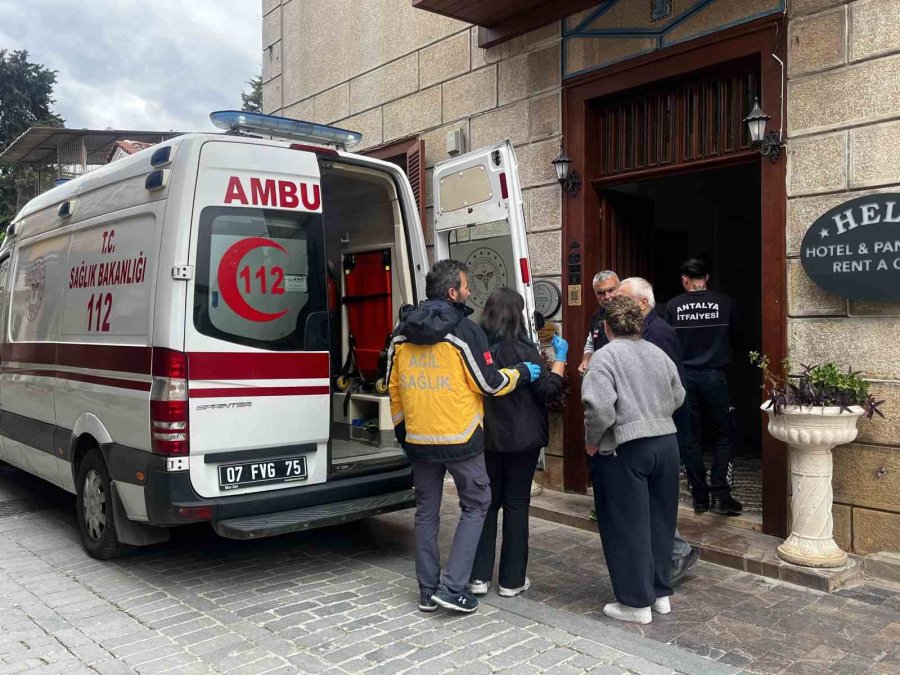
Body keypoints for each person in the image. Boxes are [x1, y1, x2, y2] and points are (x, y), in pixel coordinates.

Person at [387, 259, 541, 614]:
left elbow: (394, 389)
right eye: (467, 285)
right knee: (476, 506)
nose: (471, 291)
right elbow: (487, 383)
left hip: (419, 440)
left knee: (426, 513)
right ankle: (454, 587)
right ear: (453, 292)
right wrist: (521, 372)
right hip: (461, 440)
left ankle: (427, 591)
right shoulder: (465, 332)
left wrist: (403, 432)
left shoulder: (400, 333)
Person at [582, 295, 685, 625]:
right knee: (661, 522)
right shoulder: (657, 353)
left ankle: (635, 603)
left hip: (626, 446)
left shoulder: (604, 357)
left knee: (627, 525)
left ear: (607, 326)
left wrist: (591, 442)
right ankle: (660, 594)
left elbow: (598, 408)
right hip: (666, 443)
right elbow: (679, 395)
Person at [469, 288, 568, 599]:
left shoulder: (476, 349)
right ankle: (512, 580)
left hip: (486, 438)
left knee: (485, 506)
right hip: (523, 441)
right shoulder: (526, 351)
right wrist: (559, 362)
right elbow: (547, 391)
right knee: (516, 506)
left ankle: (478, 577)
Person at [617, 277, 699, 584]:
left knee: (655, 499)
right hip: (649, 427)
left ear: (641, 303)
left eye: (622, 299)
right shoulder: (639, 330)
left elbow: (671, 384)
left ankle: (677, 551)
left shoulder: (657, 333)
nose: (616, 305)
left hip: (659, 427)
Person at [664, 259, 742, 517]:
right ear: (706, 277)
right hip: (715, 376)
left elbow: (667, 343)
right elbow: (738, 338)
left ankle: (700, 497)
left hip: (685, 377)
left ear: (684, 279)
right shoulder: (725, 303)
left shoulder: (674, 306)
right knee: (724, 435)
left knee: (689, 437)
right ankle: (721, 492)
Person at [577, 271, 620, 376]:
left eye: (611, 290)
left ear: (620, 287)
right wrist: (586, 360)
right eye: (600, 293)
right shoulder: (597, 316)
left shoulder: (632, 316)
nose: (607, 296)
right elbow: (591, 343)